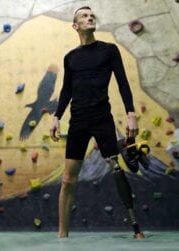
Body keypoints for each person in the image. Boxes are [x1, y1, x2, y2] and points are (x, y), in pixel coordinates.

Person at [50, 6, 145, 239]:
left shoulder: (109, 50)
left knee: (116, 169)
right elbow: (67, 90)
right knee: (67, 179)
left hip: (103, 118)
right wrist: (56, 116)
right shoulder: (70, 58)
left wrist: (131, 114)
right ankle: (62, 235)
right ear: (75, 26)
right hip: (79, 120)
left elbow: (123, 83)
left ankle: (136, 228)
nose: (89, 17)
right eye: (83, 15)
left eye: (91, 15)